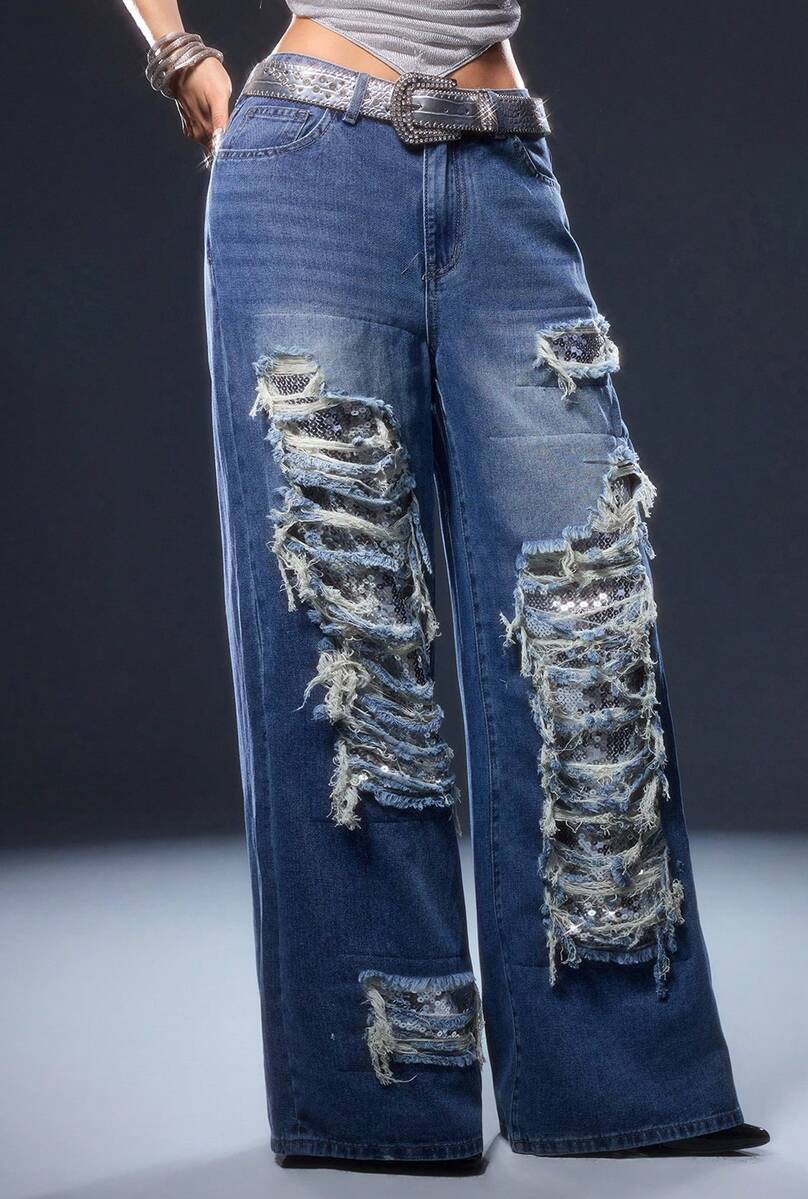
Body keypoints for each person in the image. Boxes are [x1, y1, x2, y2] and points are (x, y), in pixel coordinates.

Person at [120, 0, 769, 1168]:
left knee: (587, 614)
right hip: (308, 165)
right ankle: (385, 1099)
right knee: (347, 636)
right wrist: (176, 51)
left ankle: (611, 1082)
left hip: (504, 165)